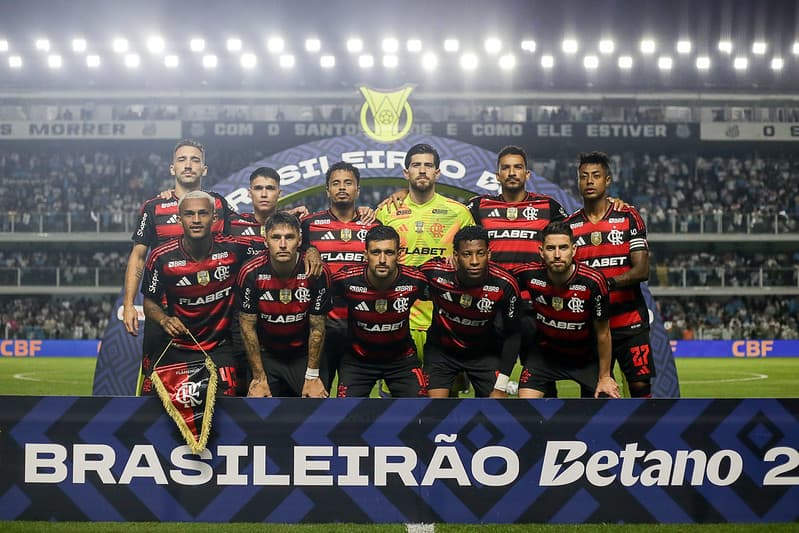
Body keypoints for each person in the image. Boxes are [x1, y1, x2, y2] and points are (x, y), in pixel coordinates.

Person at [123, 139, 234, 392]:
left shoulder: (218, 205)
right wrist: (129, 304)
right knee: (156, 387)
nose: (188, 165)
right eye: (182, 159)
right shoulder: (154, 207)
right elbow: (138, 256)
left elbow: (240, 242)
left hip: (211, 314)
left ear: (204, 169)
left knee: (220, 389)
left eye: (195, 160)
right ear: (172, 168)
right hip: (163, 312)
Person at [374, 143, 474, 371]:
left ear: (437, 173)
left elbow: (473, 264)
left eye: (428, 165)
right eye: (415, 165)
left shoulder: (458, 212)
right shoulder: (386, 211)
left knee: (446, 399)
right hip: (398, 318)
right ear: (405, 172)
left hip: (446, 320)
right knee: (399, 396)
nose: (421, 170)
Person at [140, 191, 249, 396]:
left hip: (220, 347)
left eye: (203, 213)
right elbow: (149, 303)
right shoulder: (161, 257)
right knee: (150, 403)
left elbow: (275, 246)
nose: (196, 220)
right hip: (177, 346)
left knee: (234, 404)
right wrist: (163, 320)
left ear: (214, 218)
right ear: (179, 219)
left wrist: (309, 249)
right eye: (189, 214)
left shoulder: (234, 249)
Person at [566, 151, 654, 397]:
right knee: (598, 393)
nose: (590, 181)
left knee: (640, 386)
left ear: (608, 180)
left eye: (596, 176)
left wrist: (604, 284)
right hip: (591, 327)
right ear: (578, 182)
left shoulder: (628, 217)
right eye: (584, 177)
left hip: (630, 322)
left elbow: (641, 270)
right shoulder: (569, 226)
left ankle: (644, 434)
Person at [513, 221, 620, 399]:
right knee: (525, 408)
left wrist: (605, 377)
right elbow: (497, 281)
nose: (557, 255)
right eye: (550, 248)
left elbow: (603, 333)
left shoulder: (593, 281)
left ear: (574, 249)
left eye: (563, 248)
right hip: (544, 357)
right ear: (541, 252)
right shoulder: (528, 274)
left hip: (586, 359)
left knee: (607, 409)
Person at [301, 161, 381, 390]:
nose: (342, 187)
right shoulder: (309, 224)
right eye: (336, 183)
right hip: (320, 322)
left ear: (358, 189)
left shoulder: (373, 225)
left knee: (353, 397)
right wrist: (309, 248)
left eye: (348, 183)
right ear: (327, 190)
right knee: (317, 390)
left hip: (360, 324)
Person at [420, 226, 521, 398]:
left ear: (489, 254)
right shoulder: (435, 272)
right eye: (466, 254)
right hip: (442, 352)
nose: (474, 261)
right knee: (433, 407)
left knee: (496, 406)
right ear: (456, 256)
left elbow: (513, 335)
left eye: (480, 253)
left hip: (484, 354)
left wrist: (502, 385)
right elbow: (406, 280)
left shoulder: (504, 284)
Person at [237, 212, 330, 398]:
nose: (282, 244)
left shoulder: (317, 272)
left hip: (303, 354)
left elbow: (317, 327)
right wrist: (259, 378)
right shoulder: (250, 272)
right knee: (259, 412)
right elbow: (247, 327)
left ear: (300, 240)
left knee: (316, 412)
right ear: (265, 241)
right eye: (276, 237)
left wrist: (312, 376)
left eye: (289, 237)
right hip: (266, 355)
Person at [330, 225, 429, 398]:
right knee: (346, 417)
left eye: (389, 253)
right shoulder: (345, 280)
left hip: (402, 360)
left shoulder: (415, 280)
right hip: (357, 360)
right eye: (376, 252)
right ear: (365, 254)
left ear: (399, 255)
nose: (382, 259)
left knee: (420, 413)